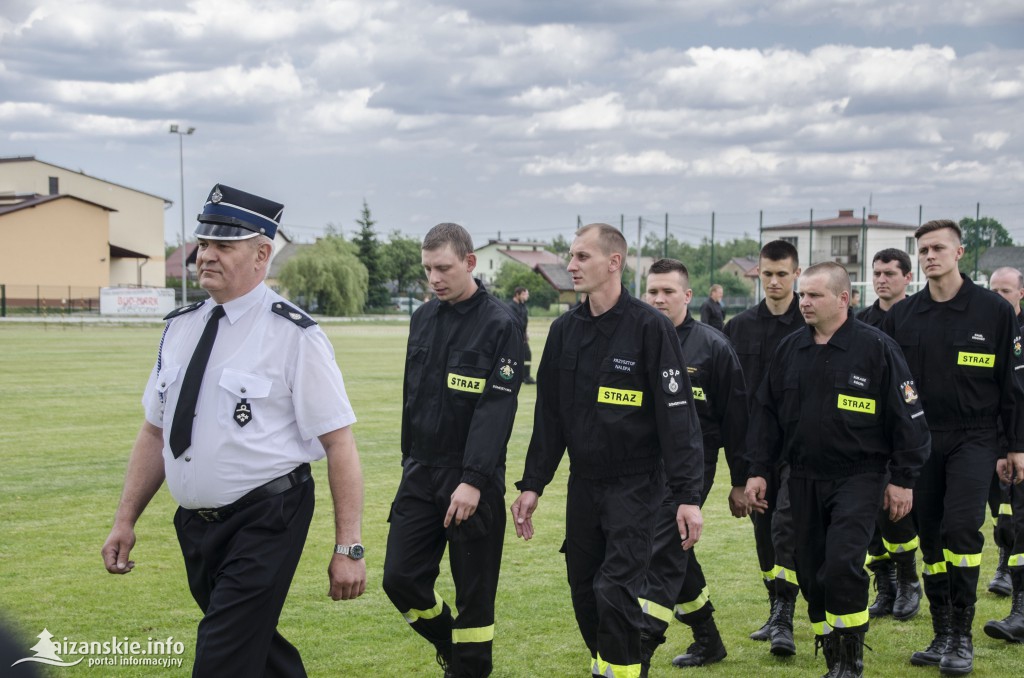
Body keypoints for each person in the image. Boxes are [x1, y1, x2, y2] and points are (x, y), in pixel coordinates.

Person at [101, 184, 366, 678]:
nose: (206, 255)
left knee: (221, 657)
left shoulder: (295, 335)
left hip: (268, 517)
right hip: (196, 526)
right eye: (203, 243)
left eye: (224, 245)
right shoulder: (179, 328)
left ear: (263, 253)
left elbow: (339, 444)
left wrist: (348, 547)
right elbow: (155, 432)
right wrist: (125, 519)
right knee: (258, 650)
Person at [510, 223, 703, 678]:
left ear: (614, 263)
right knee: (584, 591)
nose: (571, 266)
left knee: (614, 590)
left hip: (637, 484)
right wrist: (533, 484)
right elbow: (550, 417)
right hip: (585, 485)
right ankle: (616, 667)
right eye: (571, 257)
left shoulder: (650, 328)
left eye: (581, 257)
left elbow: (679, 419)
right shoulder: (562, 331)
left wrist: (688, 496)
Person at [745, 262, 930, 678]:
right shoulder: (790, 349)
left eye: (813, 295)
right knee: (810, 572)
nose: (803, 302)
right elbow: (766, 416)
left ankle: (850, 664)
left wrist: (903, 480)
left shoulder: (877, 348)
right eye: (802, 295)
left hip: (860, 475)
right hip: (803, 475)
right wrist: (757, 470)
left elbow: (910, 419)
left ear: (843, 299)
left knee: (842, 564)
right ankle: (832, 655)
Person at [881, 220, 1024, 674]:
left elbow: (1013, 386)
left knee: (962, 530)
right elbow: (890, 392)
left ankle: (962, 637)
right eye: (922, 249)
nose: (928, 256)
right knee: (931, 540)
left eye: (938, 247)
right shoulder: (902, 316)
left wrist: (1014, 446)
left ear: (960, 252)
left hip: (976, 436)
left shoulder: (993, 311)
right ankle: (941, 632)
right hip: (921, 442)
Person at [382, 223, 524, 678]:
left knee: (475, 598)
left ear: (469, 262)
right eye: (427, 269)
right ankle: (450, 646)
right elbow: (412, 395)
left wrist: (473, 480)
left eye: (442, 267)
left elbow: (496, 410)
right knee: (399, 579)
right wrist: (409, 460)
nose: (434, 278)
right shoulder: (422, 318)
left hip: (471, 481)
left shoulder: (501, 324)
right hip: (421, 472)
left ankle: (470, 670)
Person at [640, 259, 748, 670]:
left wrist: (740, 480)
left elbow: (738, 421)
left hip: (691, 465)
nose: (659, 299)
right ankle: (709, 639)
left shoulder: (714, 347)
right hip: (642, 465)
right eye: (652, 291)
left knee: (661, 547)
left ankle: (639, 645)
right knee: (677, 547)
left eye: (668, 291)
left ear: (687, 296)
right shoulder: (635, 336)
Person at [722, 239, 803, 655]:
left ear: (796, 274)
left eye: (782, 274)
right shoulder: (738, 328)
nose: (774, 281)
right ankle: (775, 608)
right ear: (758, 273)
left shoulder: (809, 323)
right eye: (767, 274)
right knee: (765, 533)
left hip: (799, 447)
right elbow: (730, 400)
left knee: (787, 527)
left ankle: (786, 617)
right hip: (756, 451)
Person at [856, 249, 923, 621]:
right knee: (867, 516)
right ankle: (885, 585)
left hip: (904, 428)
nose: (882, 279)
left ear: (907, 278)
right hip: (865, 429)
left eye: (889, 273)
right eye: (877, 273)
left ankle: (909, 578)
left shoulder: (917, 318)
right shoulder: (861, 321)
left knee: (898, 512)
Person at [983, 266, 1024, 643]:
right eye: (993, 290)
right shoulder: (987, 331)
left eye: (1006, 290)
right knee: (1006, 513)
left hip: (1017, 444)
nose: (998, 297)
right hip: (996, 442)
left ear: (1021, 294)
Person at [509, 286, 536, 384]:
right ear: (517, 295)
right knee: (514, 357)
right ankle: (515, 377)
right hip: (515, 336)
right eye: (525, 294)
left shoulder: (522, 305)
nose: (527, 296)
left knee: (527, 355)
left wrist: (526, 333)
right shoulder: (511, 306)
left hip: (522, 335)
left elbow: (524, 321)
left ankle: (526, 377)